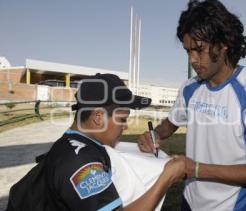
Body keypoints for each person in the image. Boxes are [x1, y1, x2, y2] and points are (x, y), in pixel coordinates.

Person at [138, 0, 246, 210]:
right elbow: (170, 123)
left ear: (223, 43)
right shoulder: (190, 88)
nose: (192, 59)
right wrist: (155, 134)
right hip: (190, 202)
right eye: (187, 51)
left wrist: (196, 169)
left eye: (199, 50)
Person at [7, 73, 186, 211]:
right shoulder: (80, 163)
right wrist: (167, 177)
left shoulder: (73, 143)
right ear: (98, 117)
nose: (125, 127)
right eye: (122, 119)